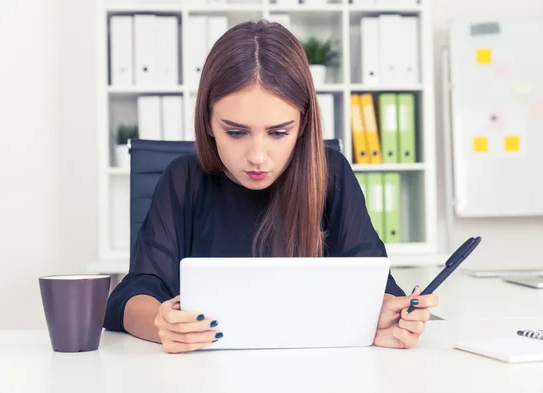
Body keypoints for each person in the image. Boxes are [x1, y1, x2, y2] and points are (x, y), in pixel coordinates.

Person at [103, 19, 439, 353]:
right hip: (203, 377)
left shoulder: (331, 175)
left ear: (303, 122)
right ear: (207, 120)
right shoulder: (183, 179)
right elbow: (132, 296)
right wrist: (161, 324)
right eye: (236, 132)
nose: (258, 157)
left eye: (278, 132)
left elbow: (375, 282)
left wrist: (390, 315)